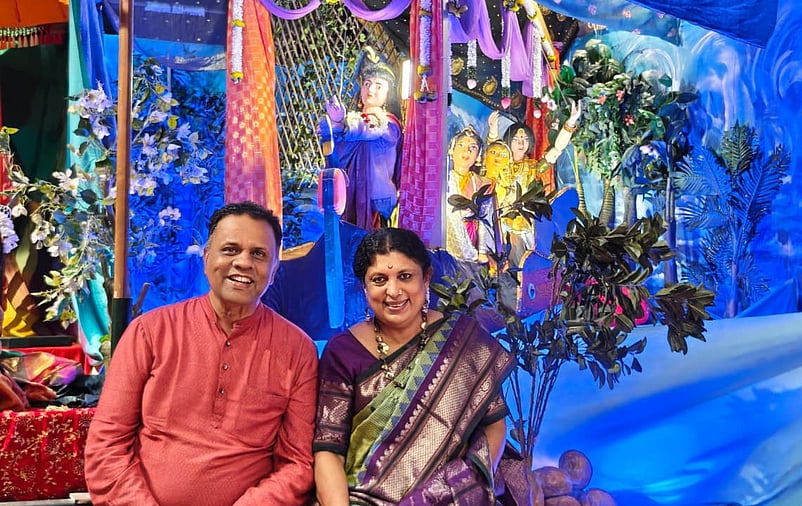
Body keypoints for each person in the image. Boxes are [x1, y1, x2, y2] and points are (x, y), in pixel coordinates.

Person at [85, 201, 319, 505]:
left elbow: (297, 464)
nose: (244, 262)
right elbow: (107, 444)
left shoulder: (298, 350)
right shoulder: (150, 332)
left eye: (259, 254)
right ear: (207, 259)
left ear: (274, 271)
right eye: (230, 250)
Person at [313, 227, 526, 504]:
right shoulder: (343, 351)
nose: (393, 291)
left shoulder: (462, 338)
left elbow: (494, 427)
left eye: (405, 276)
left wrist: (464, 490)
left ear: (425, 279)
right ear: (364, 287)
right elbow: (329, 449)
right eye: (379, 279)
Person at [323, 46, 402, 231]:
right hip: (351, 193)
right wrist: (332, 130)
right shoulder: (354, 119)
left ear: (388, 94)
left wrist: (340, 124)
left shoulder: (389, 124)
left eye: (378, 85)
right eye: (367, 83)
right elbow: (339, 151)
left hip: (376, 199)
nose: (371, 89)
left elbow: (367, 129)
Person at [487, 100, 581, 194]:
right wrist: (492, 133)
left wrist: (570, 123)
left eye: (525, 140)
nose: (521, 144)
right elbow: (492, 154)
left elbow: (557, 150)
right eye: (516, 139)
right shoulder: (500, 163)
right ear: (508, 140)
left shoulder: (532, 168)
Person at [445, 126, 498, 263]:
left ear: (478, 155)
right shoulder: (442, 181)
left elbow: (484, 221)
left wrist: (482, 251)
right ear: (452, 150)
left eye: (473, 147)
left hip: (473, 242)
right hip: (446, 242)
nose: (466, 150)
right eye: (461, 145)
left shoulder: (483, 184)